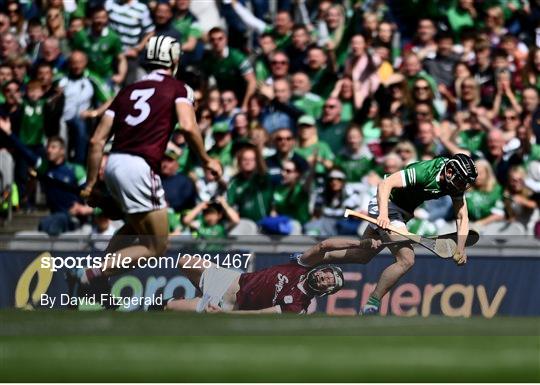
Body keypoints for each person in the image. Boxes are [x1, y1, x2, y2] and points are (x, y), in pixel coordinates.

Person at [71, 35, 221, 304]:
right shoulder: (179, 88)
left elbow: (96, 141)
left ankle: (101, 279)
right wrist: (207, 160)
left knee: (134, 225)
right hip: (140, 166)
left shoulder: (128, 90)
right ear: (175, 60)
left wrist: (92, 183)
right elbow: (188, 126)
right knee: (157, 244)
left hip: (114, 161)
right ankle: (91, 273)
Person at [352, 153, 478, 315]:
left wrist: (460, 247)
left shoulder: (453, 183)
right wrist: (383, 214)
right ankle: (372, 303)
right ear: (449, 172)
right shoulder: (425, 171)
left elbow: (462, 216)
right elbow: (385, 184)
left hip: (402, 213)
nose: (463, 186)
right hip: (387, 204)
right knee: (406, 259)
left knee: (360, 255)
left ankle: (313, 260)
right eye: (462, 181)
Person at [161, 237, 381, 314]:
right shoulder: (301, 265)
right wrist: (360, 243)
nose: (325, 278)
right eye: (327, 274)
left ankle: (164, 306)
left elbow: (259, 315)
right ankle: (195, 296)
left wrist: (224, 315)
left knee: (169, 308)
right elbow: (324, 245)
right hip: (232, 280)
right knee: (184, 261)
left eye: (329, 282)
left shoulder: (297, 306)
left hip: (227, 303)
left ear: (327, 291)